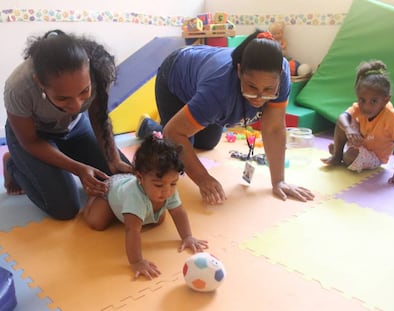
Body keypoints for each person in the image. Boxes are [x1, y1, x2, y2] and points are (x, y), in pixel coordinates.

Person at [136, 30, 315, 205]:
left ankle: (179, 122)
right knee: (174, 158)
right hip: (176, 75)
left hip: (204, 81)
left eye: (268, 90)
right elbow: (174, 132)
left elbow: (274, 128)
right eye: (251, 87)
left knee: (206, 143)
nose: (260, 98)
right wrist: (203, 178)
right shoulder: (218, 91)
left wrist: (278, 181)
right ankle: (149, 128)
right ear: (239, 71)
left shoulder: (281, 73)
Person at [2, 29, 132, 220]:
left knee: (124, 180)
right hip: (34, 137)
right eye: (63, 98)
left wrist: (114, 159)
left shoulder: (98, 69)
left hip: (75, 129)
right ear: (40, 83)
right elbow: (30, 141)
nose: (76, 106)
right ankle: (14, 163)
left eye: (84, 92)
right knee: (65, 208)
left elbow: (99, 116)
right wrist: (78, 169)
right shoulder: (19, 88)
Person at [83, 132, 208, 279]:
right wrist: (137, 262)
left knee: (157, 220)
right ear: (140, 178)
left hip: (129, 193)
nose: (167, 190)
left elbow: (178, 211)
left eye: (173, 183)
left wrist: (187, 237)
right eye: (158, 185)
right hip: (111, 190)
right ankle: (93, 197)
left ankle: (129, 210)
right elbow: (132, 231)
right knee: (97, 222)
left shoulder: (166, 189)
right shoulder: (135, 197)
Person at [321, 60, 394, 189]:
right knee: (343, 123)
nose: (366, 106)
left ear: (385, 100)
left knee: (350, 157)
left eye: (373, 101)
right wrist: (349, 129)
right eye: (362, 100)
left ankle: (342, 154)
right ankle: (337, 156)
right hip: (360, 143)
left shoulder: (392, 118)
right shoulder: (359, 108)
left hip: (375, 156)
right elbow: (342, 117)